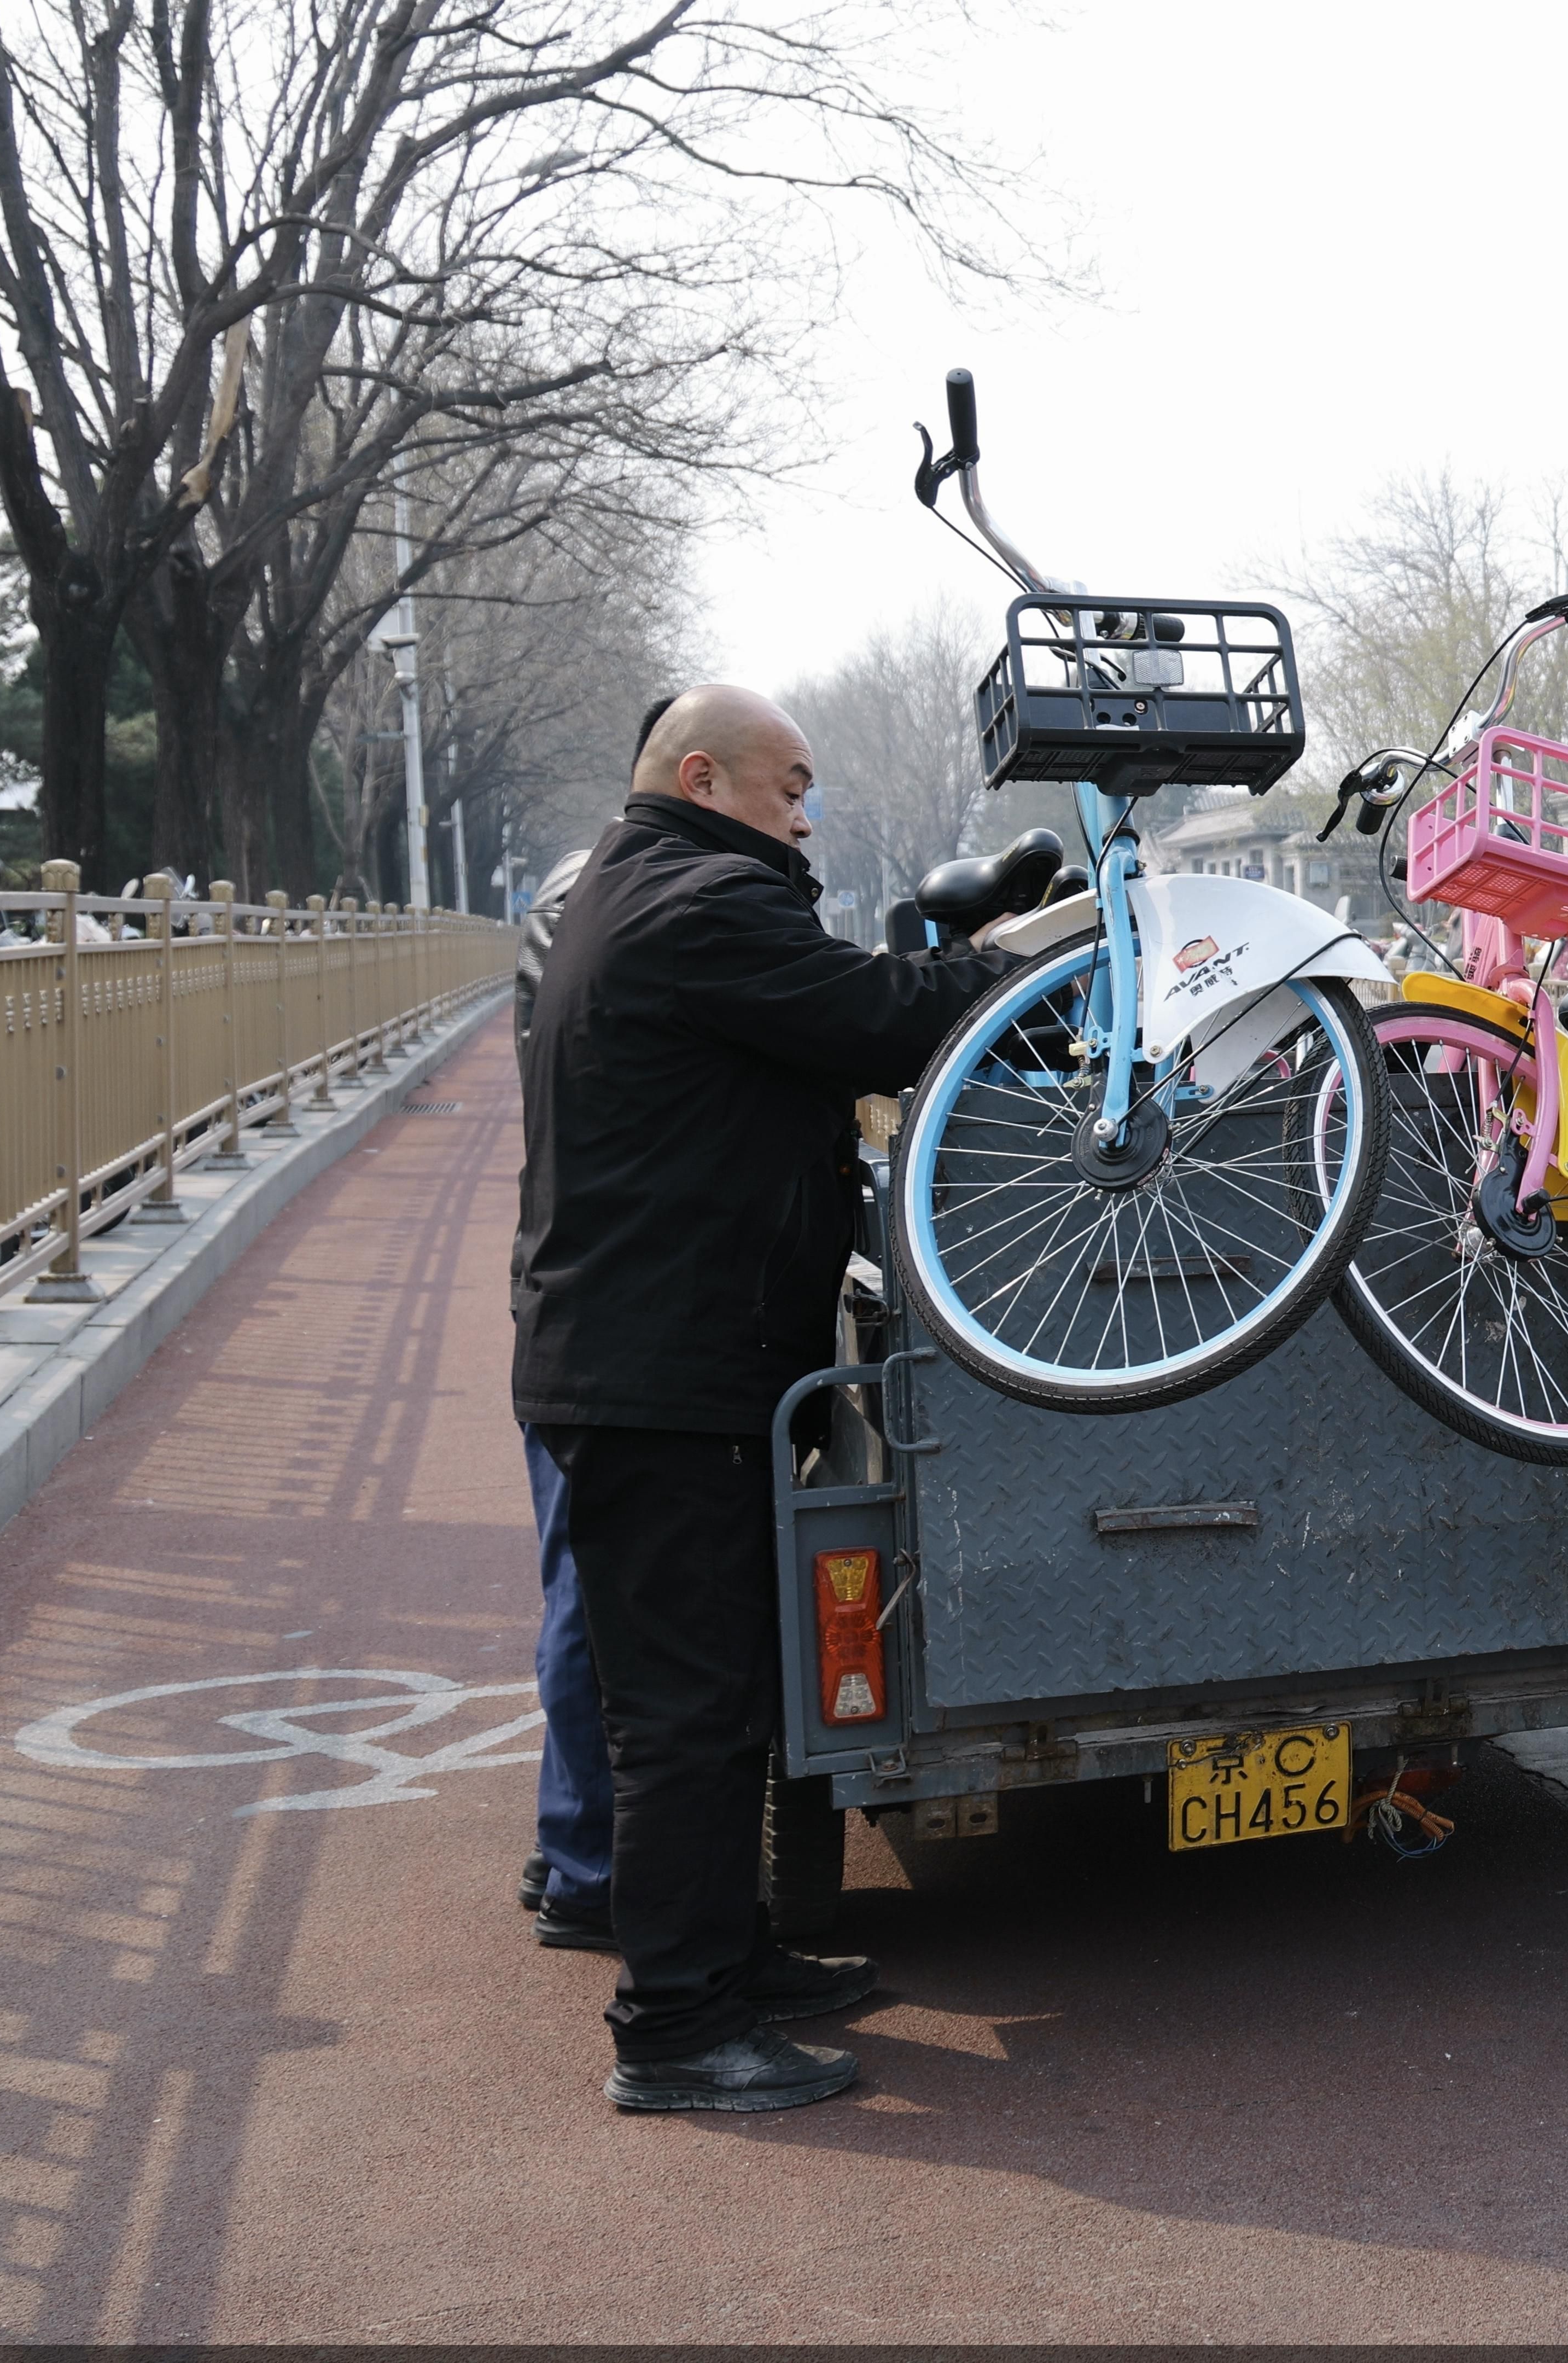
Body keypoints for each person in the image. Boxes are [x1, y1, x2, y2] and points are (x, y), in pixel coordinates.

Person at [515, 683, 1021, 2113]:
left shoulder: (643, 888)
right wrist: (1017, 969)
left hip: (667, 1364)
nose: (804, 819)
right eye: (789, 789)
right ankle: (676, 2030)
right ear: (703, 778)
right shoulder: (698, 905)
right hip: (661, 1377)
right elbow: (876, 1018)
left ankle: (731, 1961)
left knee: (725, 1694)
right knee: (683, 1713)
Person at [508, 700, 659, 1951]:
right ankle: (588, 1863)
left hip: (566, 1274)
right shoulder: (605, 900)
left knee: (580, 1578)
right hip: (606, 1298)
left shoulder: (580, 889)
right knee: (596, 1589)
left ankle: (573, 1839)